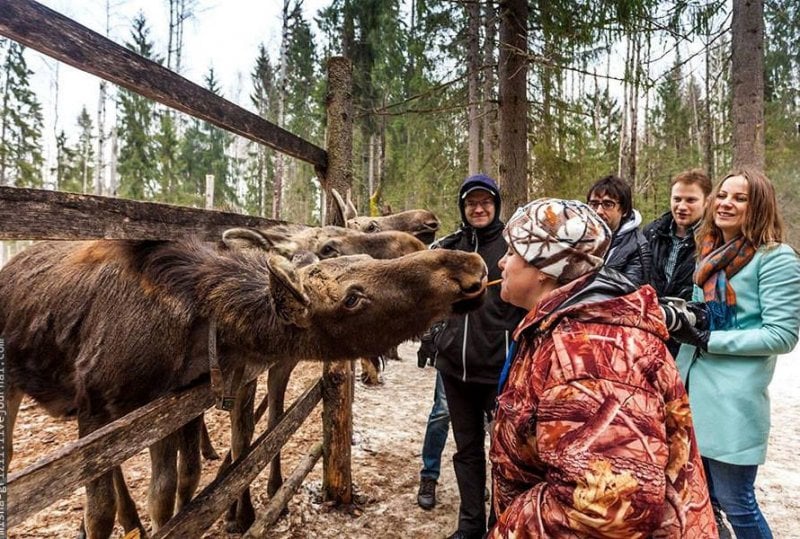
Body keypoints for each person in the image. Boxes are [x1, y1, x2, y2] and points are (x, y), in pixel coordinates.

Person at [488, 198, 718, 537]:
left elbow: (607, 510)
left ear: (544, 267)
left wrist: (508, 530)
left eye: (512, 251)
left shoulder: (591, 356)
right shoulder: (563, 328)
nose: (501, 262)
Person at [672, 167, 800, 538]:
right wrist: (683, 316)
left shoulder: (776, 260)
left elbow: (781, 335)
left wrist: (710, 339)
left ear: (758, 206)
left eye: (740, 198)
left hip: (732, 402)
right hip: (693, 391)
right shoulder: (710, 252)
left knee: (736, 502)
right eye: (724, 195)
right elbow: (703, 316)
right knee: (702, 499)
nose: (726, 203)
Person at [416, 174, 525, 539]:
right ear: (462, 208)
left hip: (498, 371)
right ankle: (470, 525)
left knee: (505, 454)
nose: (478, 208)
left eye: (485, 202)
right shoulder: (450, 249)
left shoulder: (512, 248)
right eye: (471, 203)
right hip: (454, 369)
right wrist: (434, 339)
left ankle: (501, 524)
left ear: (496, 205)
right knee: (466, 452)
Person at [644, 169, 712, 356]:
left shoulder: (714, 239)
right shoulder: (652, 233)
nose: (682, 206)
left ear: (707, 202)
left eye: (691, 200)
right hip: (652, 329)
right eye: (677, 199)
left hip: (691, 336)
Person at [586, 174, 652, 286]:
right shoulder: (577, 237)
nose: (599, 211)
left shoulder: (637, 246)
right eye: (594, 204)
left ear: (624, 210)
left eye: (608, 204)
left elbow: (629, 290)